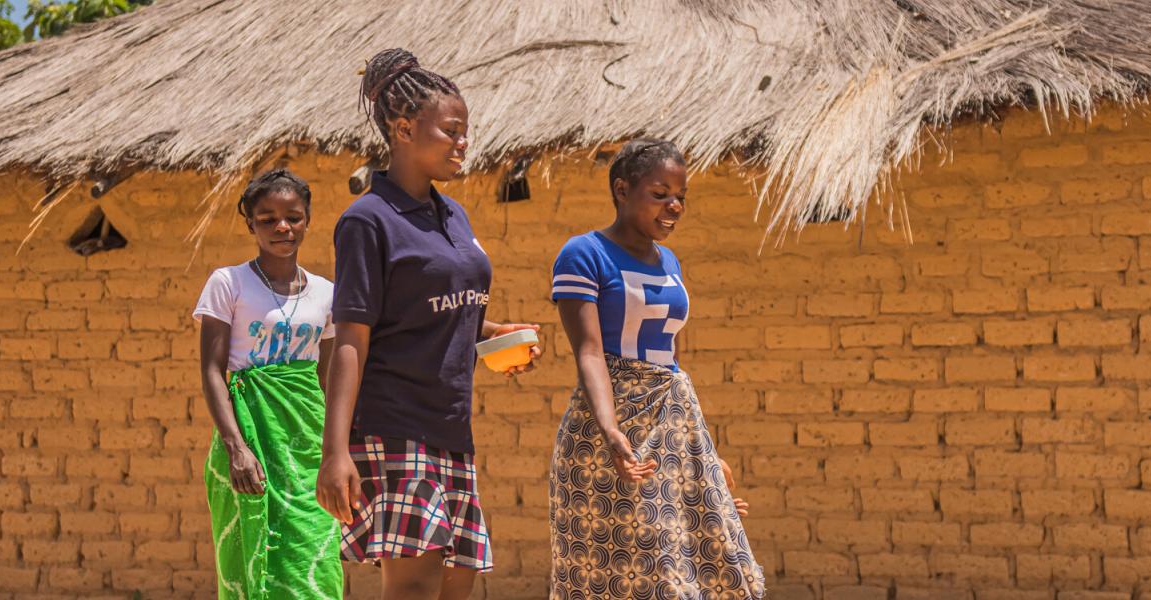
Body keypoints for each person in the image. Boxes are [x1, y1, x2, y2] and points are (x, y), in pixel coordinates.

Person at [315, 48, 541, 600]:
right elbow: (351, 339)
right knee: (414, 586)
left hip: (450, 428)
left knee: (455, 585)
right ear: (404, 128)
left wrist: (492, 338)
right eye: (451, 131)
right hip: (393, 425)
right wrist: (334, 451)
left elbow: (442, 313)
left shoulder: (453, 215)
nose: (463, 142)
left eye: (466, 132)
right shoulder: (368, 220)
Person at [547, 139, 765, 599]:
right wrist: (611, 432)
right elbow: (589, 352)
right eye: (661, 193)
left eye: (681, 195)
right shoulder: (584, 254)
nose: (675, 205)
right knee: (631, 574)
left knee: (709, 567)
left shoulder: (670, 262)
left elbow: (669, 367)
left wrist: (704, 452)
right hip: (608, 438)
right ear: (622, 189)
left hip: (669, 433)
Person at [193, 168, 342, 599]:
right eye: (268, 217)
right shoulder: (229, 283)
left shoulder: (327, 294)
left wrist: (337, 450)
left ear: (307, 220)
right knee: (250, 557)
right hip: (249, 442)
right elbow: (212, 370)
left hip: (307, 448)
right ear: (250, 224)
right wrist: (236, 447)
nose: (282, 226)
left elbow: (326, 380)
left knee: (313, 554)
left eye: (293, 217)